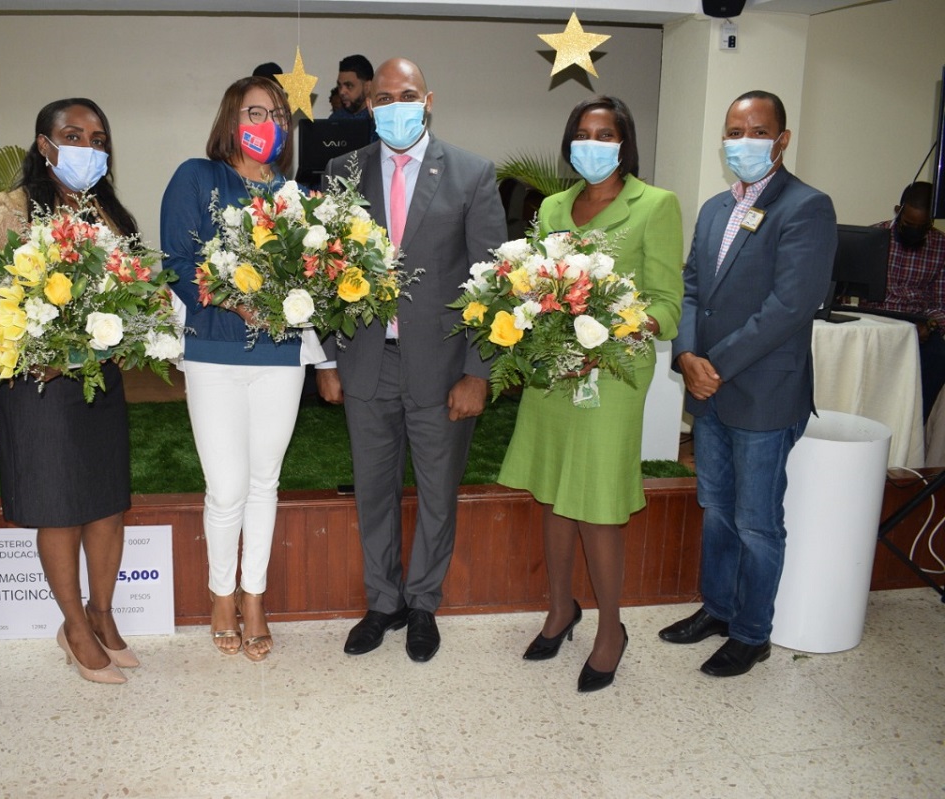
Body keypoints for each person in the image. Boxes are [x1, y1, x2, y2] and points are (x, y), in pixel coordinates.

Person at [317, 57, 506, 663]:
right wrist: (327, 360)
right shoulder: (343, 172)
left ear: (428, 101)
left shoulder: (472, 173)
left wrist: (478, 372)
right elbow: (326, 273)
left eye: (407, 96)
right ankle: (383, 602)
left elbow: (491, 284)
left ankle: (423, 603)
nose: (395, 107)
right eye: (383, 98)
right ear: (370, 106)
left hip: (444, 367)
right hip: (366, 361)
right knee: (373, 491)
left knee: (436, 493)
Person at [498, 96, 684, 692]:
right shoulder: (553, 206)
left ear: (625, 143)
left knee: (599, 502)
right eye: (583, 133)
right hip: (555, 371)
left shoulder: (655, 204)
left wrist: (614, 327)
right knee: (554, 493)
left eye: (605, 134)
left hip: (613, 374)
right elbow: (533, 284)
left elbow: (668, 304)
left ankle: (610, 630)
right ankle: (561, 609)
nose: (593, 144)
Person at [660, 90, 836, 677]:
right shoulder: (716, 208)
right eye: (735, 131)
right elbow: (690, 286)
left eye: (758, 132)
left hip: (762, 391)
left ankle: (752, 633)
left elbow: (792, 305)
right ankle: (718, 609)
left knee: (758, 522)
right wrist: (687, 354)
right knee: (716, 507)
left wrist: (715, 364)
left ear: (782, 139)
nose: (744, 142)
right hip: (709, 387)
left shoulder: (806, 207)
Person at [0, 98, 140, 684]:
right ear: (44, 145)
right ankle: (74, 626)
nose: (88, 147)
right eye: (73, 135)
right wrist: (47, 349)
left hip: (98, 379)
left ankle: (103, 613)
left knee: (108, 504)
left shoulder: (108, 213)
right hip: (40, 384)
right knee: (60, 508)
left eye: (98, 138)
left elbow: (133, 292)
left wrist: (135, 324)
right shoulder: (9, 211)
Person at [160, 76, 309, 661]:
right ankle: (220, 594)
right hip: (213, 353)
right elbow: (176, 261)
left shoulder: (297, 195)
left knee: (265, 482)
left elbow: (312, 273)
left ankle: (254, 597)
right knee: (225, 487)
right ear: (231, 118)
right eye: (255, 112)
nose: (268, 123)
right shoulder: (197, 177)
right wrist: (233, 300)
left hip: (280, 355)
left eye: (278, 114)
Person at [859, 181, 945, 418]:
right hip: (875, 319)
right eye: (909, 224)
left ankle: (915, 422)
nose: (915, 231)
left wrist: (930, 324)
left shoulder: (941, 247)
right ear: (898, 211)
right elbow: (849, 290)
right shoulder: (873, 237)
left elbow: (941, 303)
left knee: (939, 356)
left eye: (922, 227)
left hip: (918, 324)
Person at [328, 54, 373, 121]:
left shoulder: (381, 119)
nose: (342, 92)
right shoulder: (336, 119)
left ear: (367, 87)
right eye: (339, 86)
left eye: (349, 86)